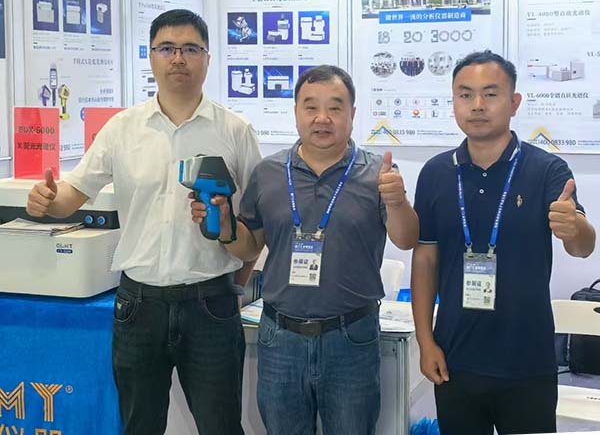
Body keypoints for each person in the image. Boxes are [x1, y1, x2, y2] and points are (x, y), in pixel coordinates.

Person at [26, 9, 261, 435]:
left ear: (208, 58)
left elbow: (253, 236)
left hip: (210, 304)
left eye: (190, 49)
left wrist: (233, 268)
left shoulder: (236, 131)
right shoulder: (122, 129)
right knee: (139, 425)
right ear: (151, 56)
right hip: (139, 306)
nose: (178, 58)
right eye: (167, 48)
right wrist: (47, 200)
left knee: (222, 425)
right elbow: (71, 197)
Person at [192, 65, 419, 435]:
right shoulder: (268, 172)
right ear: (296, 112)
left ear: (352, 113)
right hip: (281, 337)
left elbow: (406, 239)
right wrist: (226, 226)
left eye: (335, 107)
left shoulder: (376, 173)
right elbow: (250, 247)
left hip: (351, 337)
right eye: (311, 107)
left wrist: (396, 201)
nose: (322, 118)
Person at [411, 50, 596, 435]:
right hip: (455, 356)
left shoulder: (546, 169)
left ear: (514, 103)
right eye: (465, 94)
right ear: (454, 102)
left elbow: (582, 247)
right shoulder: (435, 173)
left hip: (527, 359)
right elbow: (425, 260)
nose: (477, 105)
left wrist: (574, 228)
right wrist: (426, 342)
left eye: (491, 94)